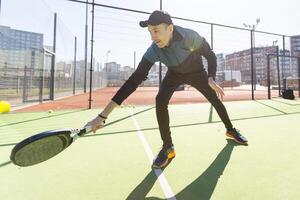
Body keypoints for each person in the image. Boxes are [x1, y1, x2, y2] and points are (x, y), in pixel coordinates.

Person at [85, 10, 248, 169]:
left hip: (196, 72)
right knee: (160, 100)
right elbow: (134, 80)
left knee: (214, 98)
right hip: (174, 73)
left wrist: (211, 77)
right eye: (150, 32)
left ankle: (230, 130)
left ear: (170, 28)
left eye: (156, 31)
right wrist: (102, 116)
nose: (153, 37)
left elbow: (210, 55)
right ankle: (168, 147)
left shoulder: (189, 37)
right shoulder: (154, 50)